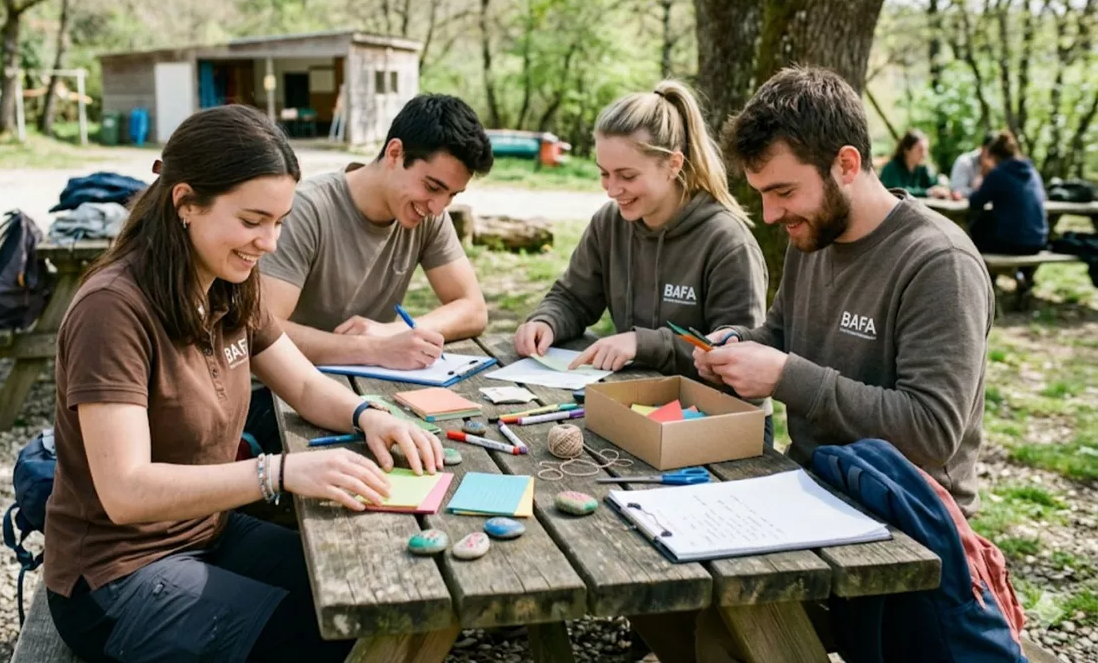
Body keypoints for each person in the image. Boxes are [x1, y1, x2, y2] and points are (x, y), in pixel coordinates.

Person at [43, 104, 442, 663]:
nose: (270, 242)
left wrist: (370, 416)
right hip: (117, 574)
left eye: (279, 222)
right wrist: (277, 471)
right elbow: (125, 490)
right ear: (185, 202)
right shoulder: (113, 308)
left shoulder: (231, 284)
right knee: (320, 631)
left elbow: (303, 387)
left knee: (368, 586)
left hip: (206, 533)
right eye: (253, 221)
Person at [630, 67, 994, 663]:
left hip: (903, 521)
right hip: (803, 490)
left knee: (727, 628)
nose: (771, 215)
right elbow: (779, 334)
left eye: (783, 192)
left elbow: (932, 433)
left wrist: (783, 376)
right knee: (650, 575)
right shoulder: (813, 238)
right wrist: (733, 343)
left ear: (846, 164)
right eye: (763, 194)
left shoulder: (939, 264)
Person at [512, 80, 769, 439]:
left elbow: (736, 355)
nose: (613, 189)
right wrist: (546, 321)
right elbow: (572, 298)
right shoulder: (610, 223)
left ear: (673, 164)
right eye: (604, 173)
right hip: (638, 412)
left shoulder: (726, 242)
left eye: (627, 176)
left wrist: (642, 343)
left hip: (717, 425)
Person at [260, 94, 493, 370]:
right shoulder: (306, 209)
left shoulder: (427, 215)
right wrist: (373, 349)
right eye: (432, 187)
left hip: (365, 384)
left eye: (452, 195)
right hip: (278, 394)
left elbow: (473, 309)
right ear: (395, 153)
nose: (439, 207)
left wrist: (391, 332)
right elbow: (263, 329)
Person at [968, 130, 1048, 255]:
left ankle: (983, 274)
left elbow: (975, 202)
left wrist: (983, 175)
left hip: (1011, 244)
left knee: (971, 236)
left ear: (994, 156)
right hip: (1038, 243)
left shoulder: (998, 173)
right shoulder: (1033, 172)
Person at [879, 130, 951, 198]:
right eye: (920, 150)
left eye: (926, 150)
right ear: (906, 150)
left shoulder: (922, 169)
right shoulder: (891, 168)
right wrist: (927, 192)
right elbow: (897, 192)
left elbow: (933, 185)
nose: (924, 154)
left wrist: (942, 189)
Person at [948, 133, 995, 199]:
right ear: (983, 148)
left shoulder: (997, 166)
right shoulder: (964, 161)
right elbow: (957, 189)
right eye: (991, 153)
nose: (992, 158)